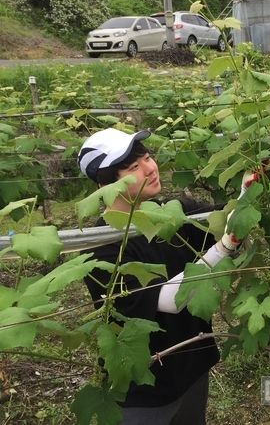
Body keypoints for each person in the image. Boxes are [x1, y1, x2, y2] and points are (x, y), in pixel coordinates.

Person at [78, 128, 256, 425]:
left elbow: (227, 221)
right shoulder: (101, 249)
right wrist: (225, 247)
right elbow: (169, 300)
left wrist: (247, 189)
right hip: (143, 390)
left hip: (191, 366)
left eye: (148, 157)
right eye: (134, 167)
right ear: (105, 184)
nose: (150, 168)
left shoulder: (174, 212)